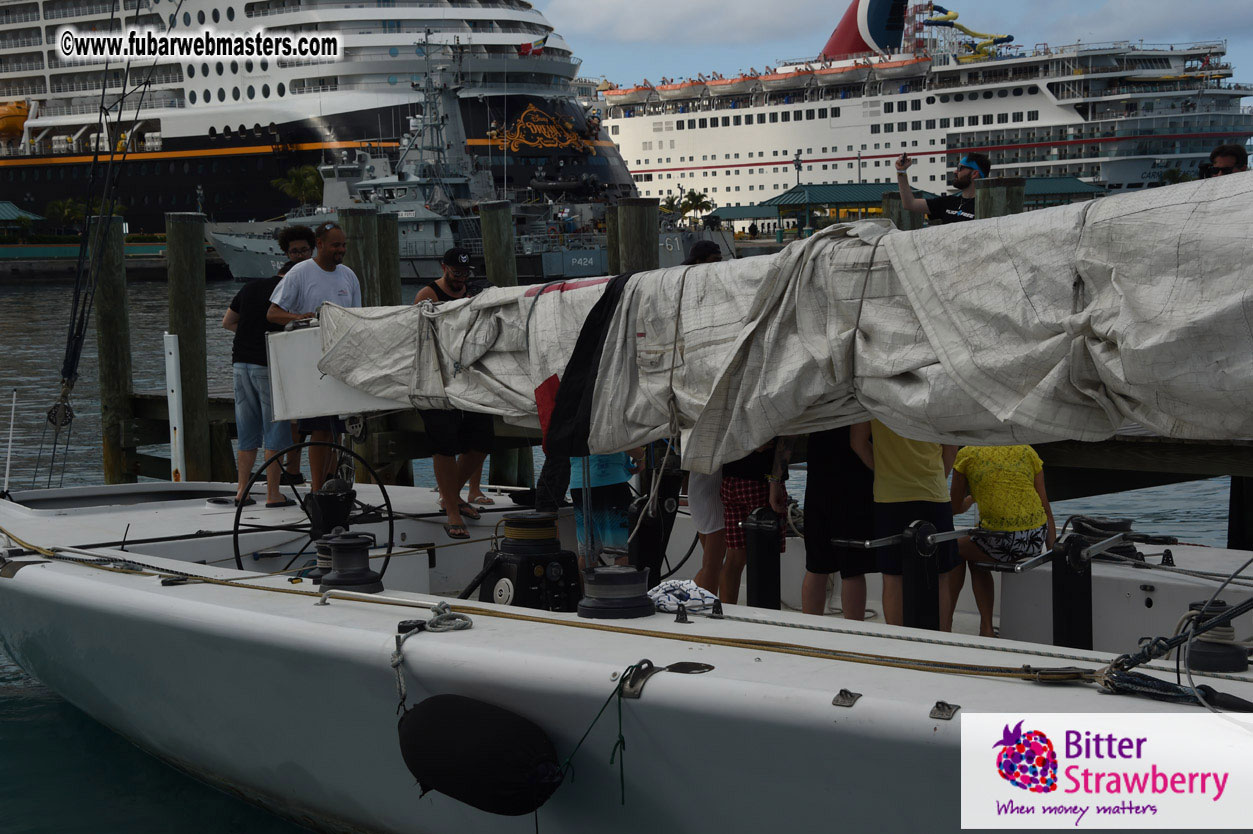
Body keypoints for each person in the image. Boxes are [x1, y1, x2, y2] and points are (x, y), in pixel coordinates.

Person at [267, 221, 361, 491]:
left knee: (338, 432)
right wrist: (301, 318)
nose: (340, 250)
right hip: (310, 366)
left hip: (341, 364)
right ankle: (318, 489)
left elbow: (356, 318)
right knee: (320, 431)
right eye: (335, 245)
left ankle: (333, 486)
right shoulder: (300, 272)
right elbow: (273, 313)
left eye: (343, 244)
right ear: (319, 245)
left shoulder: (348, 275)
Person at [413, 247, 495, 539]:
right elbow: (421, 340)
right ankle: (451, 509)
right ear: (443, 268)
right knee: (444, 444)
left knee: (482, 441)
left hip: (470, 379)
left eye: (464, 273)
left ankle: (453, 496)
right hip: (437, 381)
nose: (460, 278)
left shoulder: (472, 294)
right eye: (455, 272)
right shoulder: (428, 295)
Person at [850, 420, 960, 630]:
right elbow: (951, 448)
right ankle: (944, 640)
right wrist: (938, 477)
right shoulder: (936, 391)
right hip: (933, 493)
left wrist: (883, 470)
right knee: (942, 575)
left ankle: (898, 643)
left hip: (890, 497)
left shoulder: (872, 391)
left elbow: (857, 442)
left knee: (893, 576)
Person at [949, 445, 1056, 637]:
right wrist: (1053, 552)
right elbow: (1045, 508)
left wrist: (971, 498)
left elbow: (955, 508)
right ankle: (985, 629)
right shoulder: (1027, 451)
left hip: (1003, 541)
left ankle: (945, 624)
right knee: (974, 556)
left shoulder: (966, 454)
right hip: (1034, 539)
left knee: (952, 549)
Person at [221, 261, 298, 509]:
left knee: (247, 430)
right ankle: (273, 494)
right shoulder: (290, 290)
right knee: (275, 429)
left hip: (240, 363)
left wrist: (249, 334)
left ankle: (242, 490)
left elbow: (228, 322)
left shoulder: (250, 287)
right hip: (267, 365)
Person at [801, 426, 877, 619]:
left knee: (816, 566)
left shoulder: (816, 398)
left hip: (819, 472)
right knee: (853, 567)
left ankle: (809, 633)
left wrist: (775, 479)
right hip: (856, 477)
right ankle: (853, 635)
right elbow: (858, 442)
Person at [718, 439, 788, 605]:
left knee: (734, 557)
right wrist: (775, 482)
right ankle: (764, 614)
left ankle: (727, 612)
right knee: (766, 554)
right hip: (760, 481)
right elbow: (786, 440)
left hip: (731, 480)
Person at [273, 225, 317, 487]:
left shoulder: (323, 273)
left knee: (326, 424)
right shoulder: (284, 278)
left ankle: (328, 474)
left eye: (303, 250)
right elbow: (274, 314)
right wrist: (298, 318)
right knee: (295, 422)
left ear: (312, 249)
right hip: (295, 357)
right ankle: (292, 470)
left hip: (320, 356)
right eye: (294, 252)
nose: (299, 255)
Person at [569, 450, 643, 567]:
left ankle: (589, 585)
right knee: (622, 552)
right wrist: (641, 457)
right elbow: (626, 443)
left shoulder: (572, 430)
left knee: (587, 553)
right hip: (611, 484)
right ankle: (620, 585)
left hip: (579, 485)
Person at [895, 151, 991, 224]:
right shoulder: (948, 202)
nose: (955, 172)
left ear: (974, 174)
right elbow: (909, 204)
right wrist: (901, 172)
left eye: (959, 168)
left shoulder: (988, 207)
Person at [688, 467, 726, 595]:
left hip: (697, 488)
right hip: (713, 494)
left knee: (711, 564)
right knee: (713, 565)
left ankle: (690, 596)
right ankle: (707, 607)